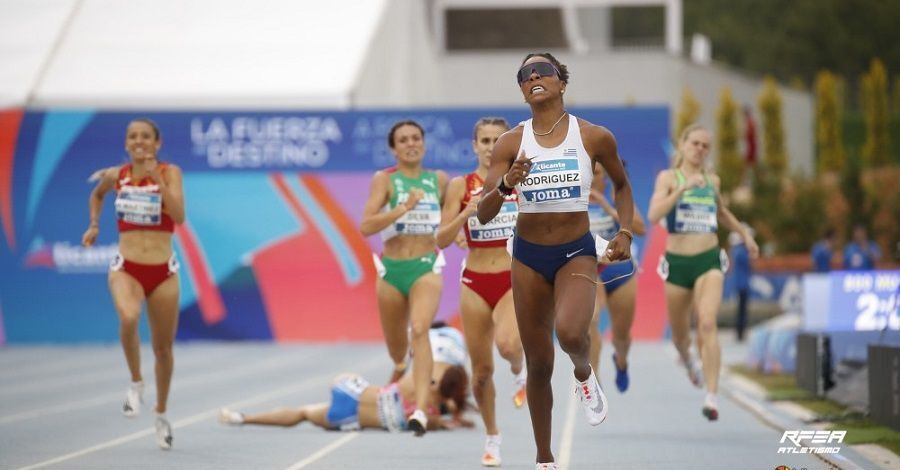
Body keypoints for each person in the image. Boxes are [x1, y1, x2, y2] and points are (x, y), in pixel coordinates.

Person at [476, 53, 635, 470]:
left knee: (569, 332)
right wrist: (508, 184)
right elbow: (483, 211)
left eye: (543, 71)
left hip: (575, 251)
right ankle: (544, 459)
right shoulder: (511, 142)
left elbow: (621, 185)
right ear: (523, 90)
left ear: (561, 83)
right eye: (526, 75)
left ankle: (584, 372)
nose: (534, 77)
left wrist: (625, 231)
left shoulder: (593, 136)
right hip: (528, 257)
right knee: (539, 364)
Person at [81, 118, 185, 450]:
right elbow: (96, 196)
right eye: (132, 137)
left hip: (163, 271)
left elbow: (180, 216)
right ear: (126, 144)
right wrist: (94, 224)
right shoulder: (117, 175)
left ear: (157, 143)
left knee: (163, 350)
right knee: (128, 317)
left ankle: (161, 413)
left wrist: (156, 177)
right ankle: (136, 383)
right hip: (126, 266)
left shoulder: (170, 173)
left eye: (145, 137)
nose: (138, 141)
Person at [648, 124, 759, 422]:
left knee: (707, 322)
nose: (700, 149)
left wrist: (745, 236)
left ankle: (711, 396)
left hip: (708, 260)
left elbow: (722, 213)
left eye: (705, 146)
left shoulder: (713, 181)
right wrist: (682, 189)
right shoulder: (669, 178)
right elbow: (654, 214)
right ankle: (687, 360)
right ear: (683, 145)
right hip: (678, 263)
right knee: (680, 338)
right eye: (695, 143)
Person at [436, 117, 526, 467]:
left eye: (497, 140)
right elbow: (441, 240)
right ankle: (492, 436)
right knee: (482, 372)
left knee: (507, 345)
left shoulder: (522, 181)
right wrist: (464, 217)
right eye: (485, 141)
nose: (491, 147)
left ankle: (520, 367)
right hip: (474, 281)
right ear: (475, 145)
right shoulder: (461, 185)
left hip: (511, 277)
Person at [360, 120, 449, 436]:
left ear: (423, 143)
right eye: (403, 140)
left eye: (416, 138)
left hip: (425, 266)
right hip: (392, 271)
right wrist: (401, 209)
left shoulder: (438, 180)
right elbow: (367, 226)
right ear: (393, 148)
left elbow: (450, 220)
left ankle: (421, 409)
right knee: (398, 349)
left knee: (420, 328)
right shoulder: (384, 180)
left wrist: (461, 234)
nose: (411, 144)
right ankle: (400, 366)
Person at [218, 362, 470, 433]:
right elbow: (447, 412)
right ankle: (243, 418)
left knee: (303, 409)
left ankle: (244, 417)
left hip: (351, 391)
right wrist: (456, 416)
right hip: (348, 418)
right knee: (305, 414)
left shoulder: (416, 380)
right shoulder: (431, 418)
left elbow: (409, 366)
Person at [586, 164, 646, 393]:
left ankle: (621, 361)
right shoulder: (576, 199)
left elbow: (640, 228)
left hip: (619, 270)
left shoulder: (616, 197)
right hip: (590, 268)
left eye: (597, 173)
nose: (591, 178)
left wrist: (607, 207)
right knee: (590, 321)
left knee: (621, 334)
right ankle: (594, 378)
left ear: (606, 177)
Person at [728, 225, 753, 342]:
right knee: (742, 310)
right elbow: (749, 263)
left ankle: (740, 332)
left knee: (741, 310)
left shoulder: (736, 251)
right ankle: (740, 333)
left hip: (740, 284)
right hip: (742, 285)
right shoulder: (741, 251)